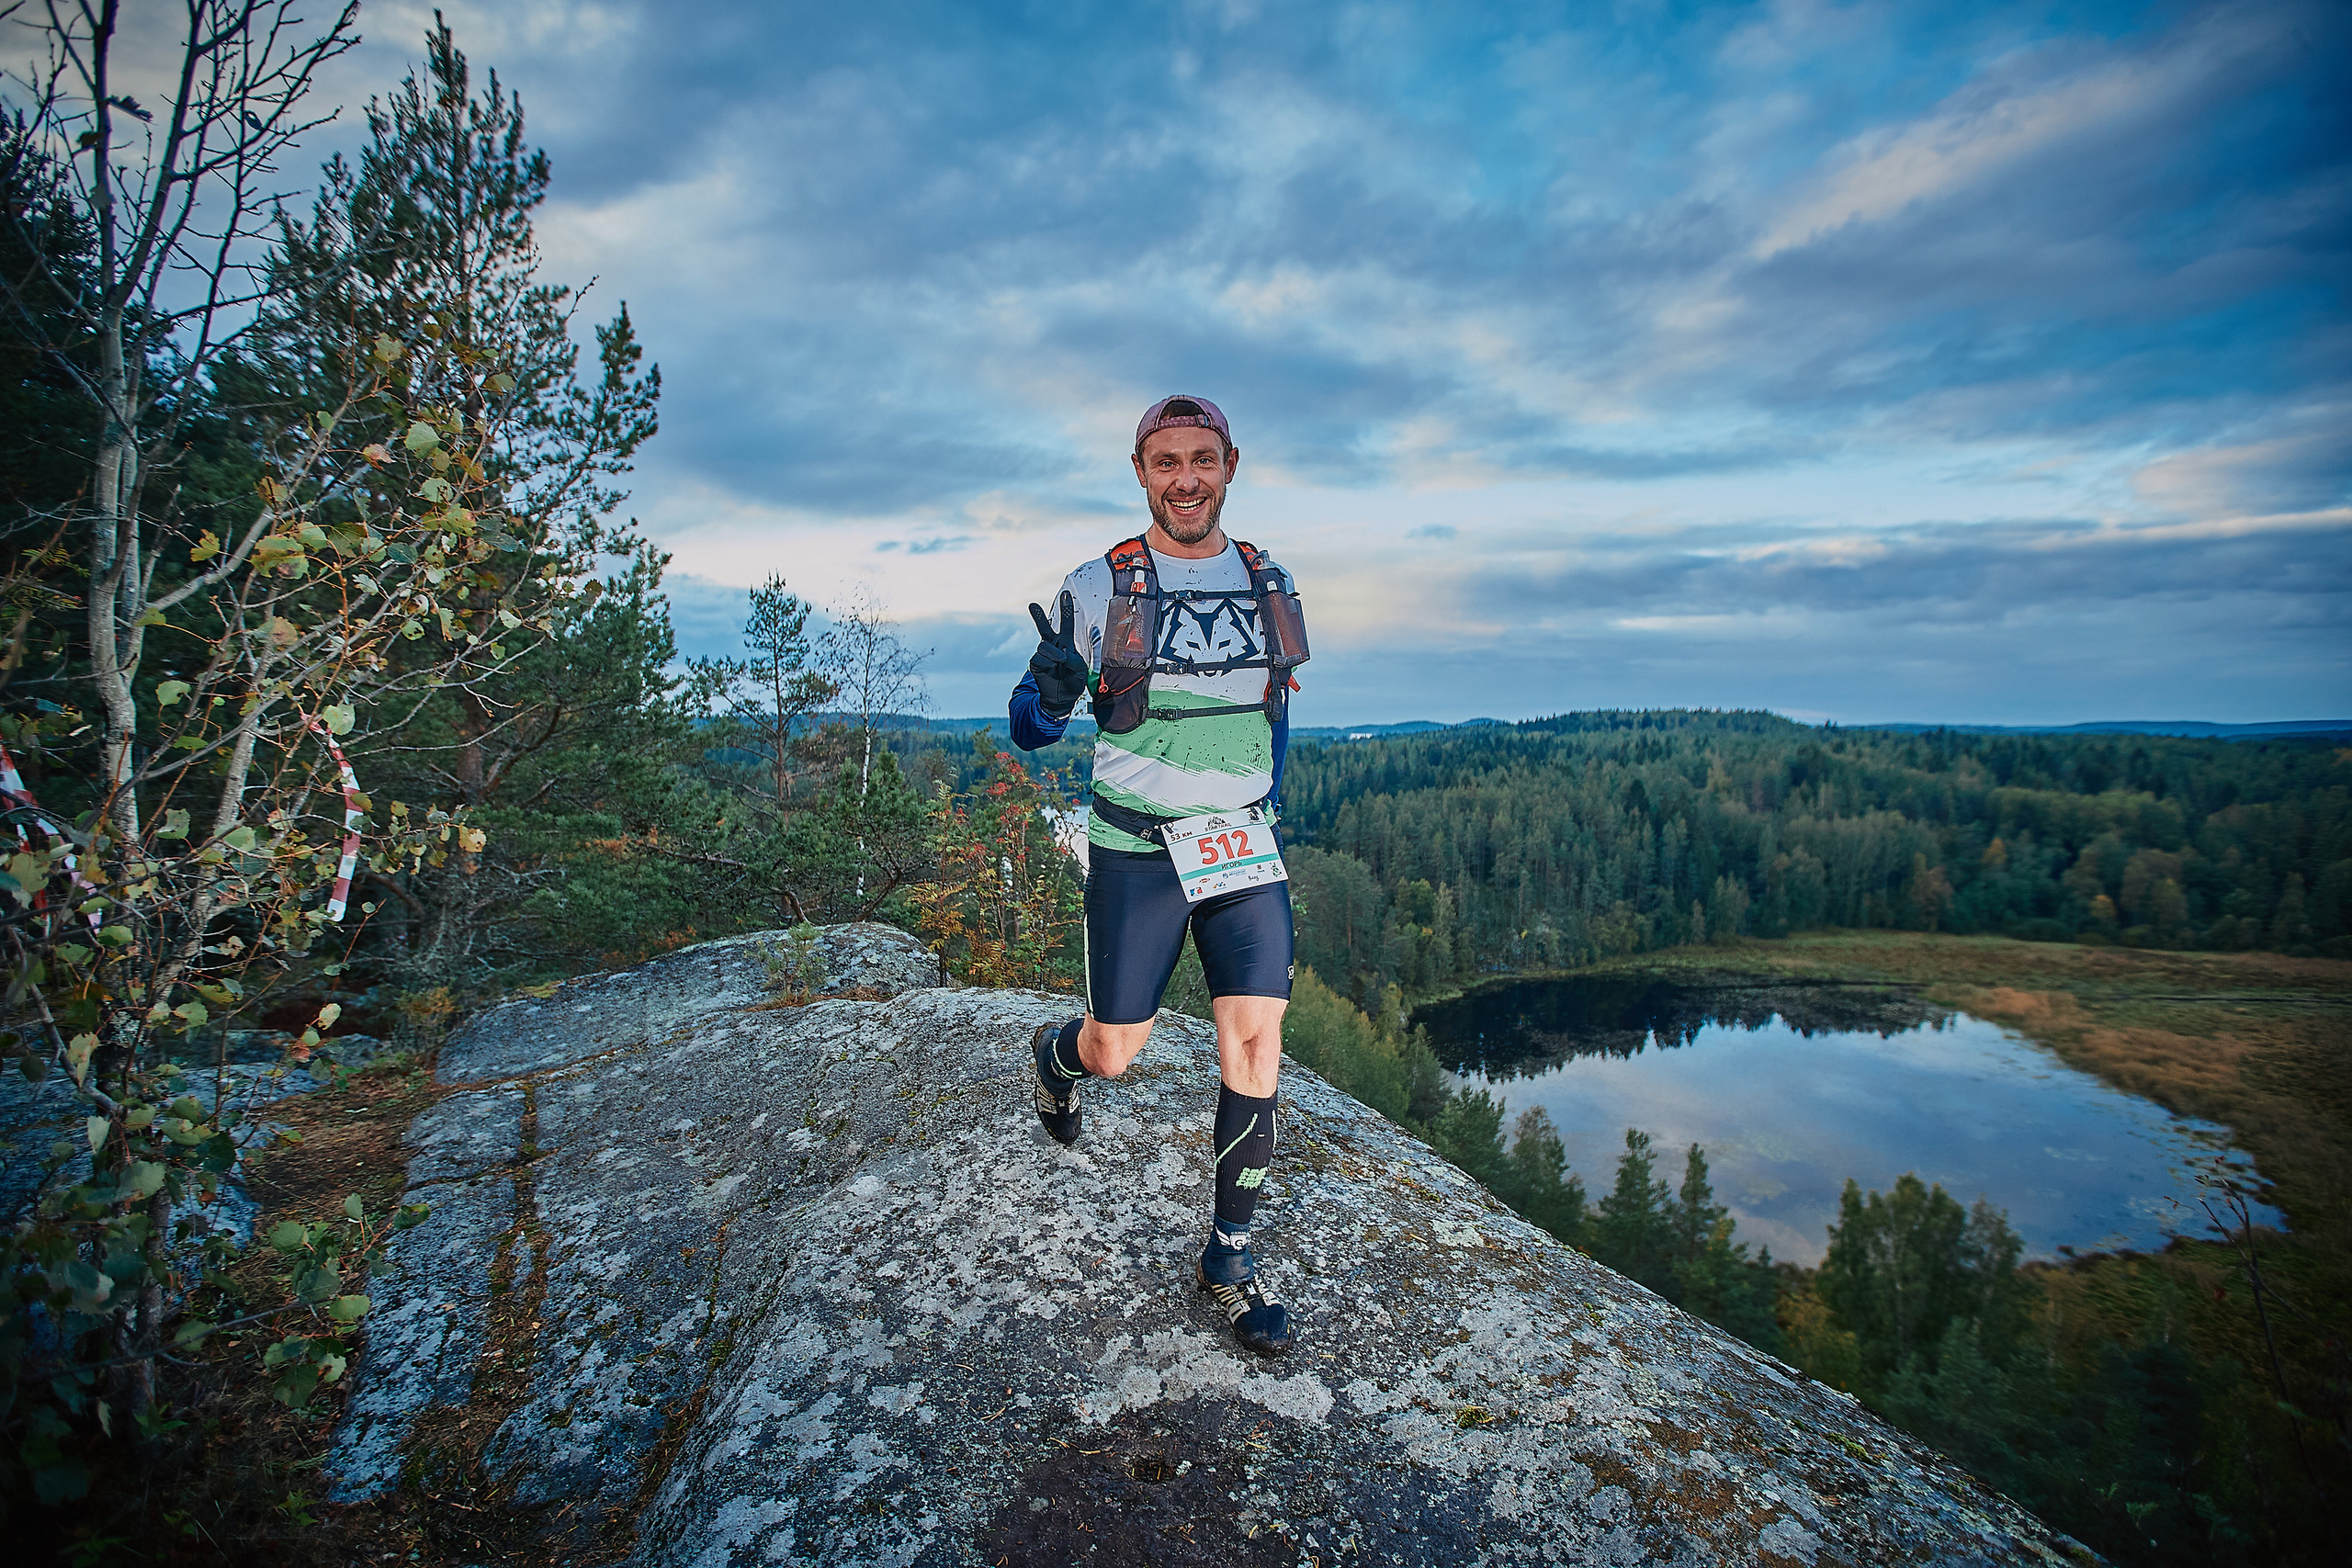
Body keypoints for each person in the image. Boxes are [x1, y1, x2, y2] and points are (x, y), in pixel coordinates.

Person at [1007, 394, 1309, 1358]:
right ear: (1140, 471)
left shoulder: (1269, 578)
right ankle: (1057, 1063)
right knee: (1115, 1051)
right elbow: (1029, 721)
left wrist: (1261, 794)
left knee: (1254, 1046)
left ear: (1230, 465)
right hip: (1137, 851)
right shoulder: (1098, 586)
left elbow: (1272, 709)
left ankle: (1229, 1257)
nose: (1186, 478)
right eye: (1166, 461)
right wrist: (1049, 698)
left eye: (1203, 460)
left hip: (1239, 851)